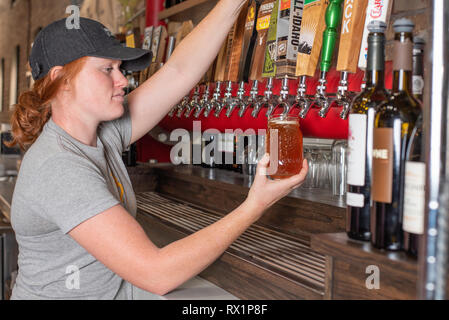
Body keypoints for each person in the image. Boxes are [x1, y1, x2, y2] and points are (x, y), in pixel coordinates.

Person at [8, 0, 308, 300]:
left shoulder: (103, 135)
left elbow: (179, 71)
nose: (122, 80)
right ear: (62, 80)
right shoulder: (60, 168)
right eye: (107, 69)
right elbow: (157, 273)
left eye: (120, 68)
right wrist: (254, 205)